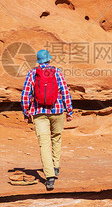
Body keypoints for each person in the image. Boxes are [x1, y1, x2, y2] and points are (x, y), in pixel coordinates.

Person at [21, 49, 73, 190]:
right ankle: (55, 166)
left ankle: (50, 177)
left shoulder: (33, 73)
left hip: (38, 113)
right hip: (57, 111)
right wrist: (69, 110)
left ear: (38, 61)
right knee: (56, 137)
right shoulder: (57, 72)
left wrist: (26, 112)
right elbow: (64, 91)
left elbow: (26, 94)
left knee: (44, 144)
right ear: (49, 60)